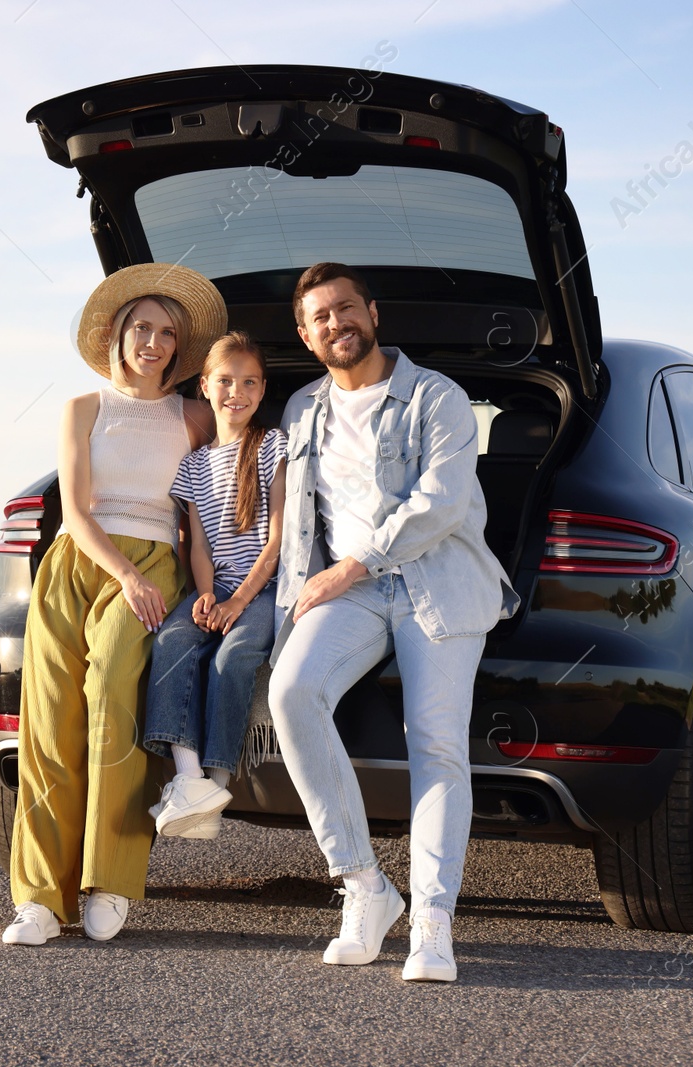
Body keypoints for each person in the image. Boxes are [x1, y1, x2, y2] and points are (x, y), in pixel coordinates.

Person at [267, 262, 520, 982]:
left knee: (435, 740)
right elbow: (297, 530)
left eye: (345, 308)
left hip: (437, 580)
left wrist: (350, 566)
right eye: (319, 316)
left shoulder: (436, 397)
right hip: (349, 592)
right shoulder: (302, 409)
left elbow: (440, 503)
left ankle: (434, 920)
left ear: (372, 313)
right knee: (292, 693)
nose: (335, 323)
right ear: (305, 334)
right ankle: (365, 886)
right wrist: (292, 605)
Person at [1, 263, 227, 947]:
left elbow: (211, 512)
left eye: (166, 333)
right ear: (115, 336)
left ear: (180, 348)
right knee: (49, 726)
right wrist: (122, 572)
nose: (153, 342)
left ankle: (109, 881)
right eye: (141, 329)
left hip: (155, 570)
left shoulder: (194, 416)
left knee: (113, 705)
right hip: (81, 564)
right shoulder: (81, 409)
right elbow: (73, 509)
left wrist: (208, 586)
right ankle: (39, 899)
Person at [142, 331, 286, 839]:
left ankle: (216, 783)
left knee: (235, 654)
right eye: (225, 381)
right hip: (217, 587)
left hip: (263, 589)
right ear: (204, 386)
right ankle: (188, 779)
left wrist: (237, 602)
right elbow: (197, 545)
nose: (236, 392)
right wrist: (205, 595)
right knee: (175, 640)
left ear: (263, 389)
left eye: (249, 382)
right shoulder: (194, 465)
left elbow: (277, 543)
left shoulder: (273, 447)